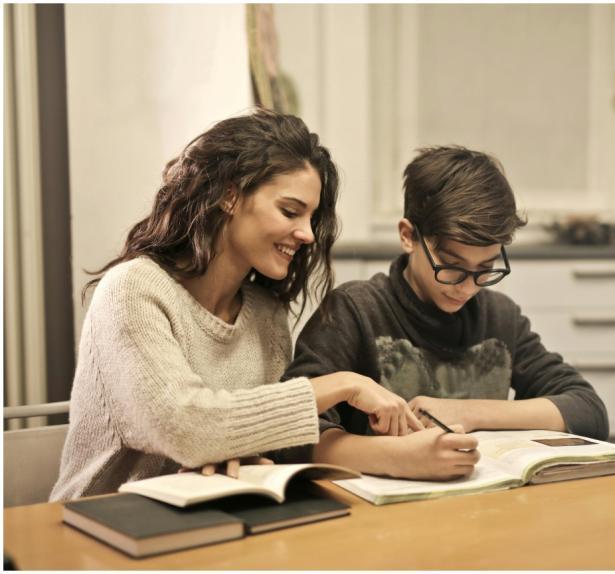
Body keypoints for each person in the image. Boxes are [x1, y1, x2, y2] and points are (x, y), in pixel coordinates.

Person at [50, 108, 421, 501]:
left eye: (312, 218)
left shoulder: (266, 315)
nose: (307, 234)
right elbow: (186, 428)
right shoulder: (132, 291)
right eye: (291, 211)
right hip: (97, 530)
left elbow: (239, 442)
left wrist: (240, 458)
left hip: (209, 524)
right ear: (229, 195)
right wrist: (343, 383)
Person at [283, 145, 609, 480]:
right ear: (408, 236)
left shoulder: (500, 317)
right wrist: (395, 457)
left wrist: (467, 412)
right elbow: (288, 432)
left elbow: (587, 409)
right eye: (452, 267)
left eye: (485, 268)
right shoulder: (355, 311)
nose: (467, 288)